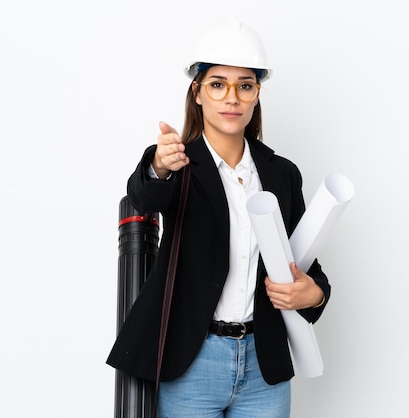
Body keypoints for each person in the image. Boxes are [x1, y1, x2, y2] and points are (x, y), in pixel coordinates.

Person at [107, 19, 330, 418]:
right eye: (217, 84)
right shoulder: (179, 165)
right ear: (197, 92)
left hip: (264, 366)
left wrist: (313, 295)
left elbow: (307, 267)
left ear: (257, 93)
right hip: (192, 362)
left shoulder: (281, 174)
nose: (232, 98)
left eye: (245, 85)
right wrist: (159, 165)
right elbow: (145, 194)